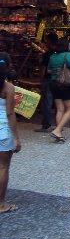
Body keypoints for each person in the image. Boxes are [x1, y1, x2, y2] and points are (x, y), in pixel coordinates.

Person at [48, 37, 70, 142]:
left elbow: (48, 70)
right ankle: (57, 130)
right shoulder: (68, 55)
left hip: (54, 83)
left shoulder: (52, 56)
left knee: (60, 109)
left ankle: (59, 133)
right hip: (65, 84)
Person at [0, 53, 21, 213]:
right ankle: (1, 204)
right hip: (3, 131)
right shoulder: (8, 87)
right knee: (3, 167)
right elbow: (10, 113)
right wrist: (16, 138)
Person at [35, 32, 58, 133]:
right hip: (58, 80)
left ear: (49, 41)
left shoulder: (47, 54)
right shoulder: (59, 53)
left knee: (47, 103)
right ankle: (59, 125)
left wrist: (41, 80)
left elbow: (43, 68)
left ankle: (46, 125)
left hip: (48, 79)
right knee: (58, 103)